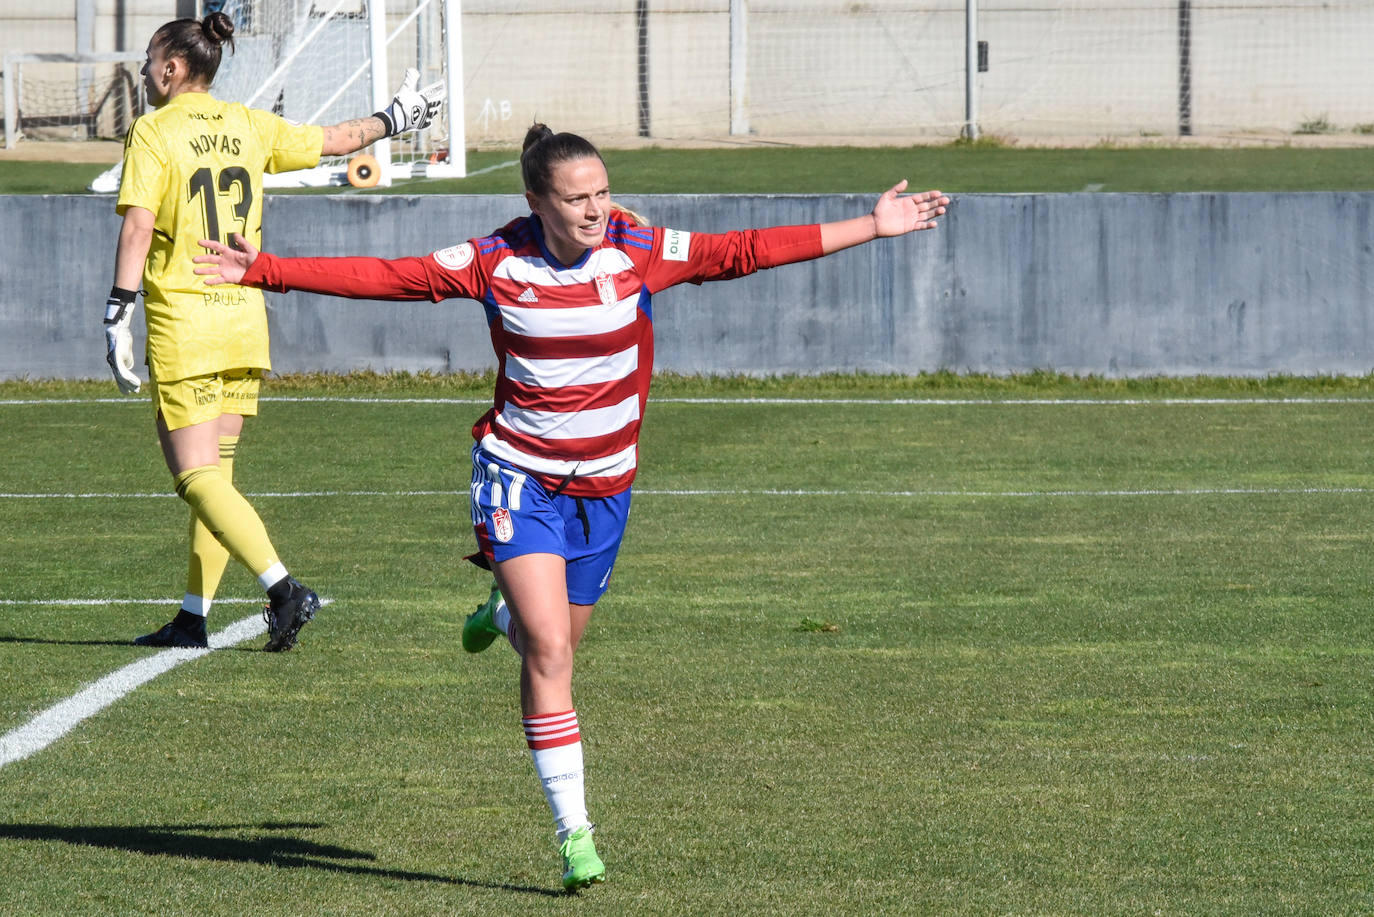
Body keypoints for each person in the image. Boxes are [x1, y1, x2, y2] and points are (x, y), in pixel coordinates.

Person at [193, 123, 949, 889]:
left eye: (601, 192)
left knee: (549, 642)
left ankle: (502, 614)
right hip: (518, 478)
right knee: (551, 651)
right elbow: (393, 275)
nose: (595, 210)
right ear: (536, 201)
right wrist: (268, 271)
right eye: (576, 198)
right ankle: (574, 832)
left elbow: (741, 251)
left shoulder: (637, 245)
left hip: (606, 491)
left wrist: (872, 226)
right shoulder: (496, 260)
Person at [104, 12, 443, 651]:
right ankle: (192, 617)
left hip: (187, 319)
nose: (147, 71)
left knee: (194, 477)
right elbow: (338, 139)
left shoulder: (152, 131)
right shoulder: (249, 123)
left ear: (173, 68)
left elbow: (137, 228)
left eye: (151, 61)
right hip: (243, 317)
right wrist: (396, 119)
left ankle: (283, 588)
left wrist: (118, 309)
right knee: (219, 477)